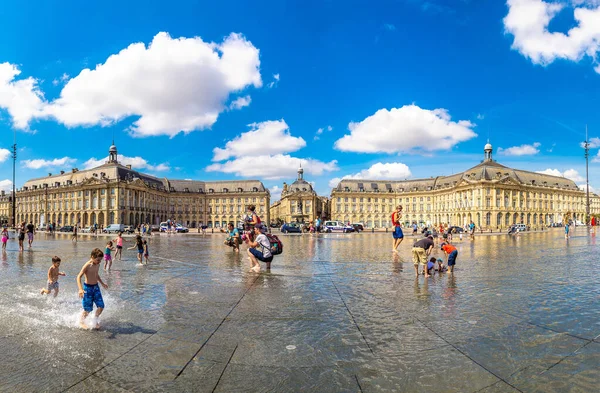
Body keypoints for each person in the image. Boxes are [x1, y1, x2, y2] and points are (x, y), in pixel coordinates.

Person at [77, 248, 108, 329]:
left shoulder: (97, 264)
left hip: (96, 287)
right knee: (88, 309)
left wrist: (102, 283)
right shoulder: (87, 265)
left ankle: (95, 320)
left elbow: (96, 275)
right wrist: (80, 289)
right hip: (88, 288)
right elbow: (78, 277)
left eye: (100, 260)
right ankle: (81, 322)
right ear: (92, 257)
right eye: (98, 260)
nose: (99, 261)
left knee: (101, 306)